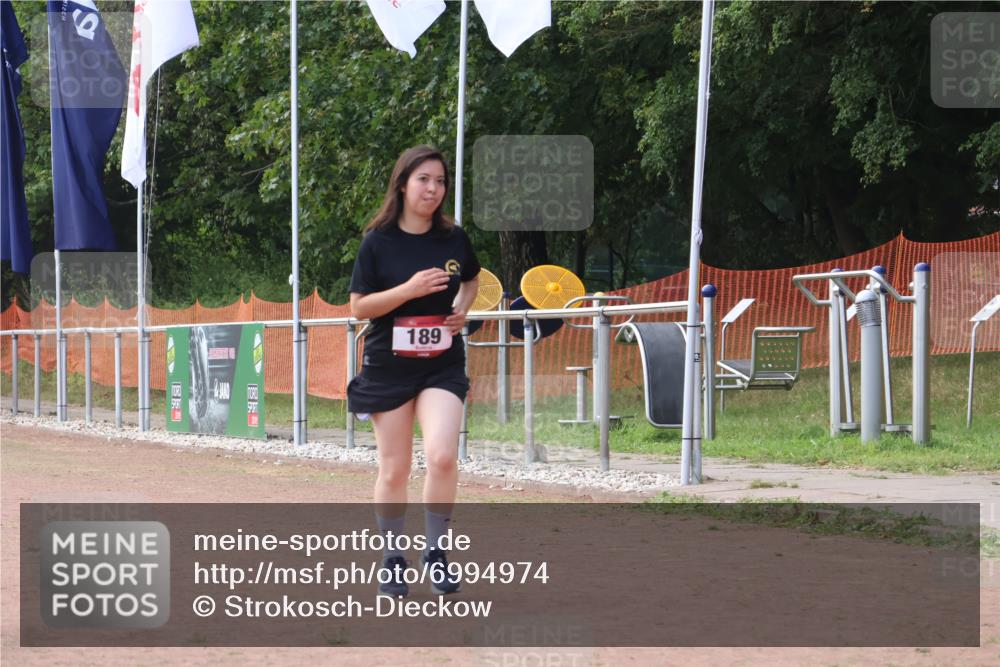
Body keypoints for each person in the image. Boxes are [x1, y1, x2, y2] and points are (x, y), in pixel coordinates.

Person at [347, 145, 480, 598]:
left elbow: (472, 279)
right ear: (403, 184)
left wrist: (462, 309)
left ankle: (436, 553)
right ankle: (392, 558)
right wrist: (409, 289)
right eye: (424, 179)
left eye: (440, 181)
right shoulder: (377, 241)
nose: (433, 189)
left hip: (442, 364)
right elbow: (360, 306)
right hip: (389, 367)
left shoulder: (453, 238)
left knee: (442, 456)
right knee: (395, 468)